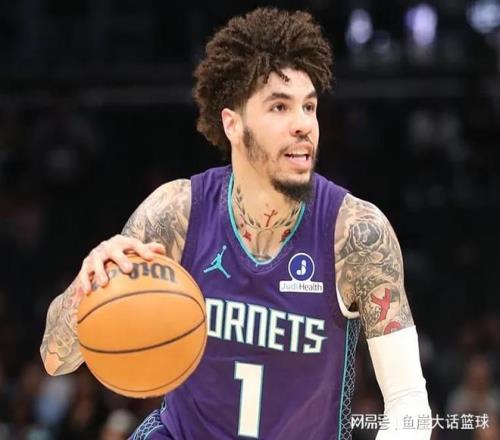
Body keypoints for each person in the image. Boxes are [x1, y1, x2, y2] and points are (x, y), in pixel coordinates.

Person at [40, 7, 431, 440]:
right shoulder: (176, 213)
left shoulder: (356, 233)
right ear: (233, 123)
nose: (303, 124)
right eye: (279, 107)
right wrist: (87, 288)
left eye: (309, 106)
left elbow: (408, 399)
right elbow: (55, 358)